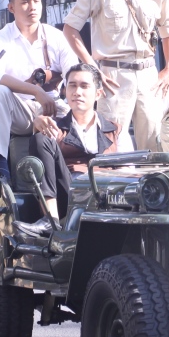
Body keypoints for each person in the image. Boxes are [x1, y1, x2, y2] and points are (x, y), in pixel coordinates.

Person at [64, 0, 169, 151]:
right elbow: (70, 28)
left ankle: (155, 185)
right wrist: (91, 67)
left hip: (149, 74)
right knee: (112, 140)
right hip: (112, 74)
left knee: (155, 141)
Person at [0, 0, 78, 180]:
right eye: (25, 2)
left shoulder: (56, 37)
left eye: (36, 1)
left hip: (54, 108)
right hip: (21, 113)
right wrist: (36, 90)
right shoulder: (0, 39)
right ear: (11, 7)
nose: (32, 7)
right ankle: (1, 167)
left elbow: (73, 72)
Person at [29, 63, 121, 220]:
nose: (77, 92)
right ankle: (50, 220)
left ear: (98, 93)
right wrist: (37, 127)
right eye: (72, 86)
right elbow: (42, 155)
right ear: (65, 91)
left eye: (84, 86)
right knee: (40, 139)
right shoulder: (54, 128)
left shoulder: (114, 129)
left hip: (107, 195)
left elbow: (127, 169)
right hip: (69, 192)